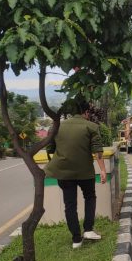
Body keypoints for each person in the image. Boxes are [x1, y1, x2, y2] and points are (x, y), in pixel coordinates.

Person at [45, 98, 107, 249]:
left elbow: (50, 148)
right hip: (85, 171)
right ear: (86, 112)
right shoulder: (91, 126)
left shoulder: (57, 126)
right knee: (90, 197)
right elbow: (97, 151)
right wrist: (103, 171)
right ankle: (88, 229)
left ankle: (76, 239)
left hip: (63, 172)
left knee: (70, 204)